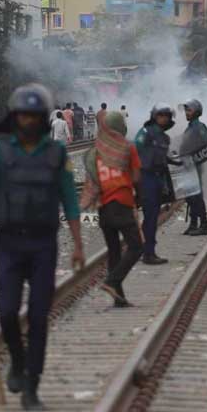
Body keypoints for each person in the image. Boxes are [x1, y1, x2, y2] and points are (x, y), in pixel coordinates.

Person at [0, 83, 84, 410]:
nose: (29, 121)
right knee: (6, 311)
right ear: (15, 117)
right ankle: (17, 362)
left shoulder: (56, 153)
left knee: (38, 316)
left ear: (42, 117)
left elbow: (70, 201)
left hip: (44, 244)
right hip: (8, 243)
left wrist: (78, 245)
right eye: (23, 115)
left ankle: (32, 385)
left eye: (34, 115)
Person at [79, 110, 143, 307]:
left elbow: (91, 183)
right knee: (136, 246)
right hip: (121, 204)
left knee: (114, 251)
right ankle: (112, 281)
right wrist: (139, 198)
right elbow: (137, 177)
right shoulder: (127, 147)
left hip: (103, 209)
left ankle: (118, 298)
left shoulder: (95, 151)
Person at [134, 104, 177, 266]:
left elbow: (161, 157)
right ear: (154, 116)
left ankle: (147, 250)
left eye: (166, 116)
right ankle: (148, 252)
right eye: (161, 115)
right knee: (150, 217)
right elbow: (135, 153)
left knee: (152, 216)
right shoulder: (145, 132)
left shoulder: (164, 137)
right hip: (146, 178)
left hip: (158, 178)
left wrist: (174, 161)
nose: (164, 118)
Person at [180, 99, 207, 236]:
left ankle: (204, 225)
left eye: (189, 110)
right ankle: (193, 224)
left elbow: (206, 145)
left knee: (197, 196)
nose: (186, 113)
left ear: (196, 112)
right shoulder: (190, 127)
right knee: (190, 196)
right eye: (186, 110)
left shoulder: (199, 127)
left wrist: (194, 158)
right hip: (188, 166)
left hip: (195, 166)